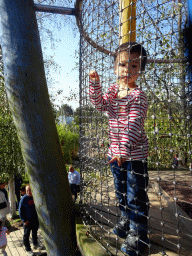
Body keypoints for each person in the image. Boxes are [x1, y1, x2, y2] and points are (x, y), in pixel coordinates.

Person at [89, 42, 149, 255]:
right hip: (115, 156)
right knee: (121, 192)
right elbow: (100, 105)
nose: (127, 71)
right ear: (115, 68)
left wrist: (123, 149)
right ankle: (126, 221)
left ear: (140, 70)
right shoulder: (114, 91)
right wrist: (95, 85)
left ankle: (139, 236)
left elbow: (133, 125)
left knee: (135, 196)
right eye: (123, 65)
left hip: (133, 156)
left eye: (134, 66)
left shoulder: (138, 96)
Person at [19, 185, 41, 256]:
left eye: (30, 190)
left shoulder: (35, 196)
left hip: (35, 219)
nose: (29, 192)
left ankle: (35, 244)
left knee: (35, 232)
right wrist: (24, 220)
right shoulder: (24, 199)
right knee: (26, 235)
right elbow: (20, 211)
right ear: (25, 191)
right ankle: (28, 249)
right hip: (27, 221)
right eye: (27, 190)